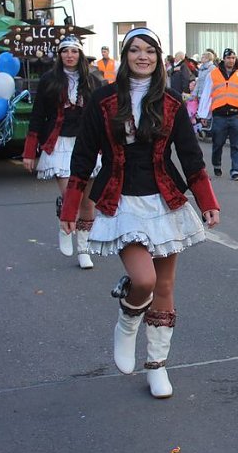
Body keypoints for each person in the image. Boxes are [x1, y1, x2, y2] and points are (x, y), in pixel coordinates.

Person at [59, 27, 220, 397]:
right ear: (125, 55)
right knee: (144, 281)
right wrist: (71, 207)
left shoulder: (171, 101)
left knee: (164, 286)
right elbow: (83, 156)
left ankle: (157, 365)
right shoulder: (102, 100)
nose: (142, 56)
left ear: (158, 58)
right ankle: (127, 320)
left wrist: (208, 201)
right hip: (120, 201)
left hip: (164, 200)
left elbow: (190, 154)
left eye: (149, 50)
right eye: (135, 50)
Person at [23, 35, 102, 270]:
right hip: (58, 143)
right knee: (70, 194)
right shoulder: (49, 80)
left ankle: (84, 249)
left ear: (80, 55)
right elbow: (38, 115)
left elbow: (103, 116)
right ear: (59, 55)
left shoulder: (93, 81)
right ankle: (64, 222)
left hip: (87, 144)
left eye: (74, 51)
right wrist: (29, 151)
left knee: (88, 202)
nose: (70, 55)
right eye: (65, 51)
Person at [196, 48, 238, 180]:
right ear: (224, 59)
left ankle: (236, 170)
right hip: (219, 115)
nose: (231, 60)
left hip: (236, 114)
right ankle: (216, 164)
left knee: (237, 144)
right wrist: (204, 115)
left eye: (233, 58)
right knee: (218, 143)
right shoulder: (213, 74)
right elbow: (207, 95)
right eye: (228, 58)